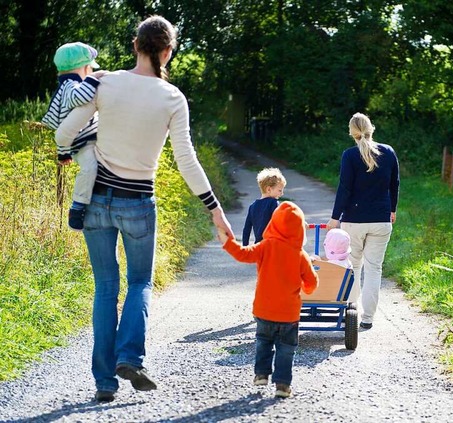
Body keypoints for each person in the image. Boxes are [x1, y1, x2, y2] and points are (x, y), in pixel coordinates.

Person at [56, 15, 233, 403]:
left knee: (105, 287)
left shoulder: (104, 82)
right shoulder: (173, 99)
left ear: (136, 45)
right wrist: (214, 209)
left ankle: (105, 382)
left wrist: (71, 154)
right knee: (139, 283)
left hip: (97, 201)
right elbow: (187, 160)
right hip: (138, 203)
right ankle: (130, 358)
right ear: (168, 51)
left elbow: (66, 132)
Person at [218, 201, 318, 399]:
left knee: (263, 342)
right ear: (300, 229)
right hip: (289, 313)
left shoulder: (265, 246)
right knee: (286, 349)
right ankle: (282, 385)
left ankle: (261, 374)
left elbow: (242, 254)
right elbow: (312, 282)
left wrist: (226, 241)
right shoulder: (300, 255)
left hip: (264, 310)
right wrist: (305, 288)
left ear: (273, 223)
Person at [327, 112, 399, 330]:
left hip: (354, 221)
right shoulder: (388, 152)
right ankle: (368, 318)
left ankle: (351, 313)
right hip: (381, 219)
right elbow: (394, 184)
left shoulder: (349, 155)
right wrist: (392, 209)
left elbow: (345, 188)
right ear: (371, 128)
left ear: (352, 132)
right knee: (374, 269)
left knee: (353, 267)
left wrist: (334, 217)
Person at [42, 42, 105, 231]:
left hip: (82, 139)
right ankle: (78, 206)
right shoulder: (71, 86)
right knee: (89, 168)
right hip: (83, 143)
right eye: (90, 69)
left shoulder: (65, 85)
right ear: (84, 68)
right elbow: (80, 97)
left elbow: (62, 129)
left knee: (94, 167)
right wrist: (94, 79)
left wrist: (63, 154)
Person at [242, 167, 286, 246]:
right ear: (269, 189)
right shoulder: (273, 203)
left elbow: (246, 230)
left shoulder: (252, 207)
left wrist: (245, 247)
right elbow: (280, 222)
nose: (282, 193)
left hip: (259, 246)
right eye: (280, 190)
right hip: (272, 245)